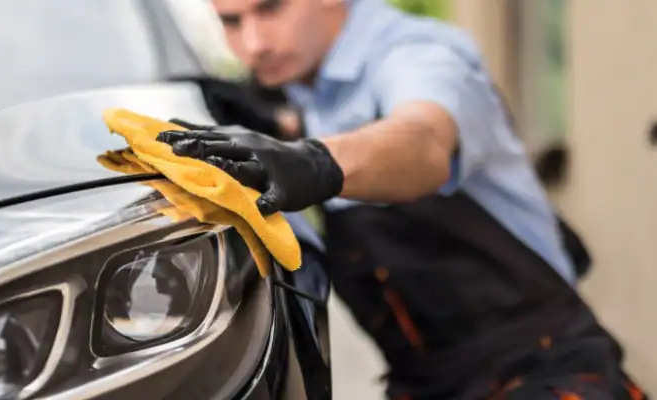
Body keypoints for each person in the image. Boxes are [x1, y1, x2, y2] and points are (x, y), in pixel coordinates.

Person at [157, 0, 650, 399]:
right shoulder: (303, 88)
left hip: (543, 371)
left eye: (272, 9)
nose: (254, 44)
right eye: (232, 21)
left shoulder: (418, 52)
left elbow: (423, 139)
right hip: (424, 383)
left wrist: (315, 161)